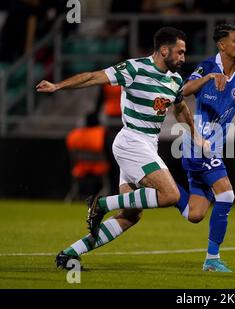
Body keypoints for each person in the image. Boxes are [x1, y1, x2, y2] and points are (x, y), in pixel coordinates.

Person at [36, 27, 202, 270]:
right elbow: (94, 77)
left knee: (130, 215)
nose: (183, 58)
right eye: (180, 52)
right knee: (171, 195)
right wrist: (58, 86)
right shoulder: (134, 69)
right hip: (132, 141)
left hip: (147, 146)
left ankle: (69, 254)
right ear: (164, 50)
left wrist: (195, 134)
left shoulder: (175, 80)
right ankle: (101, 204)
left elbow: (179, 107)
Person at [174, 24, 235, 272]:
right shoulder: (206, 66)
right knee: (227, 194)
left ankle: (162, 188)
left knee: (195, 214)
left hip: (214, 147)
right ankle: (212, 260)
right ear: (222, 45)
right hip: (198, 144)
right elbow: (182, 92)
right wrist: (207, 78)